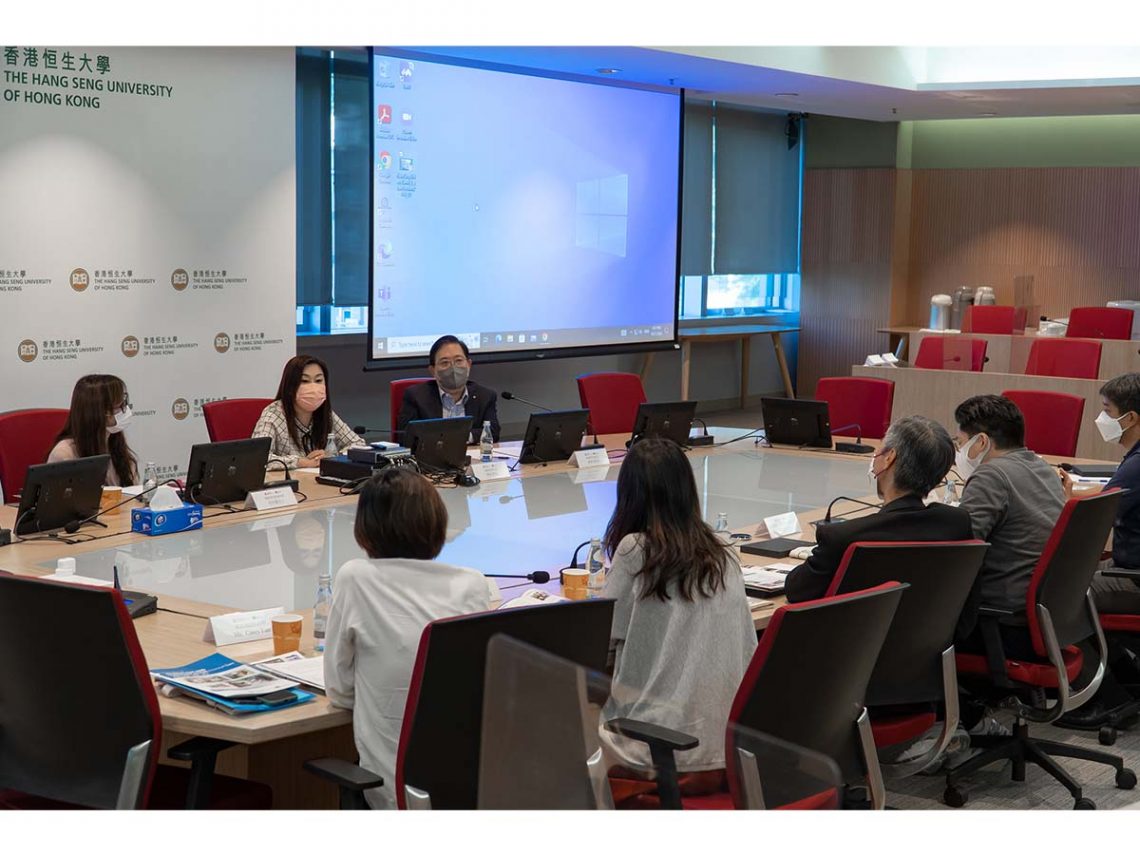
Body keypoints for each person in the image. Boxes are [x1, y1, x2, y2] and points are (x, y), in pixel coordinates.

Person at [598, 437, 757, 806]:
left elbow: (598, 643)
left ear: (630, 496)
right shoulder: (724, 554)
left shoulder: (635, 550)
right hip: (730, 756)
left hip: (657, 759)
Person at [323, 467, 493, 810]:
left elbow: (340, 692)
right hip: (469, 792)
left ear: (365, 530)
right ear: (436, 524)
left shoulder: (356, 578)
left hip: (392, 793)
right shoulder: (473, 583)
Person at [784, 415, 971, 603]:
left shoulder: (844, 536)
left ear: (889, 458)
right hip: (930, 632)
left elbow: (796, 590)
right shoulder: (956, 524)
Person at [952, 394, 1065, 659]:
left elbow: (959, 553)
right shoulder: (1042, 467)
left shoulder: (991, 475)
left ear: (981, 441)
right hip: (1043, 615)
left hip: (1001, 623)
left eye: (960, 443)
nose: (959, 453)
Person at [1083, 373, 1140, 615]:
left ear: (1131, 418)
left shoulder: (1136, 466)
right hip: (1129, 565)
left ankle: (1086, 653)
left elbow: (1094, 517)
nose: (1102, 418)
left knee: (1057, 591)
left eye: (1108, 410)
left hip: (1134, 578)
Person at [253, 355, 363, 469]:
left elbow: (358, 444)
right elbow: (257, 457)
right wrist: (300, 462)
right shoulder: (273, 415)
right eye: (305, 381)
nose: (313, 387)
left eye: (318, 380)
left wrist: (332, 457)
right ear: (290, 387)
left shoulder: (325, 413)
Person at [396, 335, 500, 444]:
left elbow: (493, 432)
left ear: (469, 364)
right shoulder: (416, 397)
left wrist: (458, 437)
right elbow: (406, 438)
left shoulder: (485, 396)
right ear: (433, 370)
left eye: (458, 360)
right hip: (431, 459)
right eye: (444, 362)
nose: (453, 367)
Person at [48, 374, 138, 487]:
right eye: (120, 405)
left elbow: (133, 492)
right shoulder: (64, 455)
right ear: (102, 411)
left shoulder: (115, 444)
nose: (125, 409)